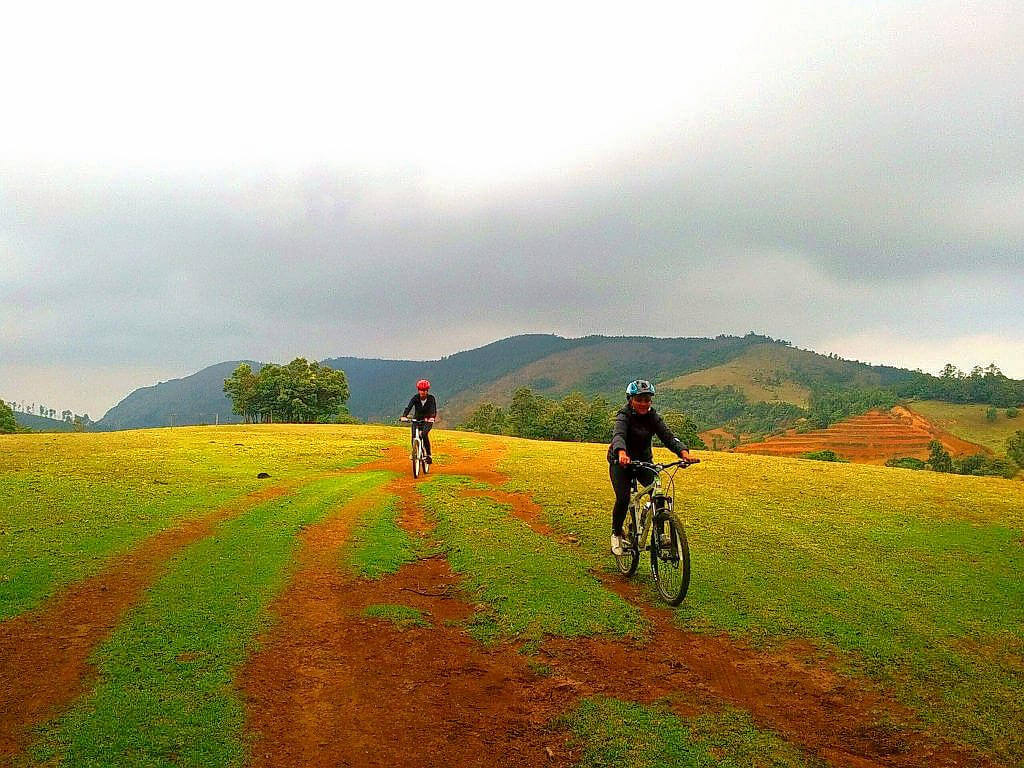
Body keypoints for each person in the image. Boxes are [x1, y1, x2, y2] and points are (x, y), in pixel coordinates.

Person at [607, 379, 695, 556]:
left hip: (644, 462)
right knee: (623, 499)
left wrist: (683, 453)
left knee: (658, 492)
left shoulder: (653, 417)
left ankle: (661, 534)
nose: (643, 403)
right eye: (639, 399)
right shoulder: (624, 415)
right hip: (621, 462)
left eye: (647, 400)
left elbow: (668, 437)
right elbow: (619, 435)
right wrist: (622, 453)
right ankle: (616, 533)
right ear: (630, 399)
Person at [400, 379, 437, 463]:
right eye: (421, 390)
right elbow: (409, 407)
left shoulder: (431, 398)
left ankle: (428, 455)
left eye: (424, 390)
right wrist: (404, 416)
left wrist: (432, 417)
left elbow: (433, 409)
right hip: (416, 419)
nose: (422, 392)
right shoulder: (415, 398)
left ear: (427, 391)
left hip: (427, 421)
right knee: (413, 436)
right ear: (418, 390)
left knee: (424, 434)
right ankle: (414, 452)